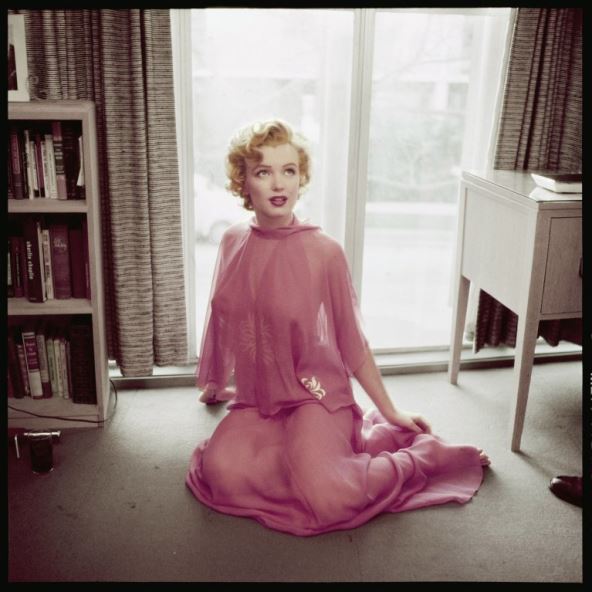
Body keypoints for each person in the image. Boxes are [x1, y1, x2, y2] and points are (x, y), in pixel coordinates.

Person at [186, 119, 490, 536]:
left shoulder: (324, 252)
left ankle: (424, 456)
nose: (279, 183)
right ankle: (322, 453)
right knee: (221, 472)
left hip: (316, 395)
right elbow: (227, 317)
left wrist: (391, 411)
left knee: (329, 497)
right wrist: (217, 383)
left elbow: (352, 344)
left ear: (301, 177)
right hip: (261, 399)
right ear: (244, 182)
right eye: (263, 171)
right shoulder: (233, 240)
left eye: (289, 170)